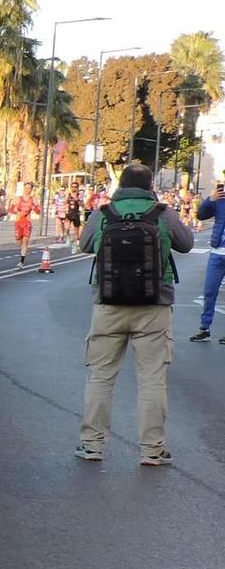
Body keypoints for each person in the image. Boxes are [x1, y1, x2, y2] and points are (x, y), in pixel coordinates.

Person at [76, 166, 194, 466]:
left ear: (121, 185)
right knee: (152, 379)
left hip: (108, 303)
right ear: (150, 185)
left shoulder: (104, 213)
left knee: (101, 377)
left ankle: (92, 445)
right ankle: (152, 450)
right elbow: (186, 243)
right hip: (154, 306)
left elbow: (85, 244)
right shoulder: (162, 213)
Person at [191, 184, 225, 342]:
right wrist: (210, 200)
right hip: (217, 253)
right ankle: (204, 328)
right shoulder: (219, 200)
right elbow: (201, 215)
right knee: (209, 291)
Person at [9, 181, 38, 265]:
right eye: (26, 188)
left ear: (32, 189)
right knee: (18, 242)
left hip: (27, 222)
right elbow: (11, 210)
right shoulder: (18, 199)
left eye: (29, 188)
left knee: (25, 241)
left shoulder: (33, 199)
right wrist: (17, 211)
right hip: (18, 222)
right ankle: (21, 248)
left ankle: (22, 260)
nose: (27, 190)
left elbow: (38, 211)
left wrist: (34, 207)